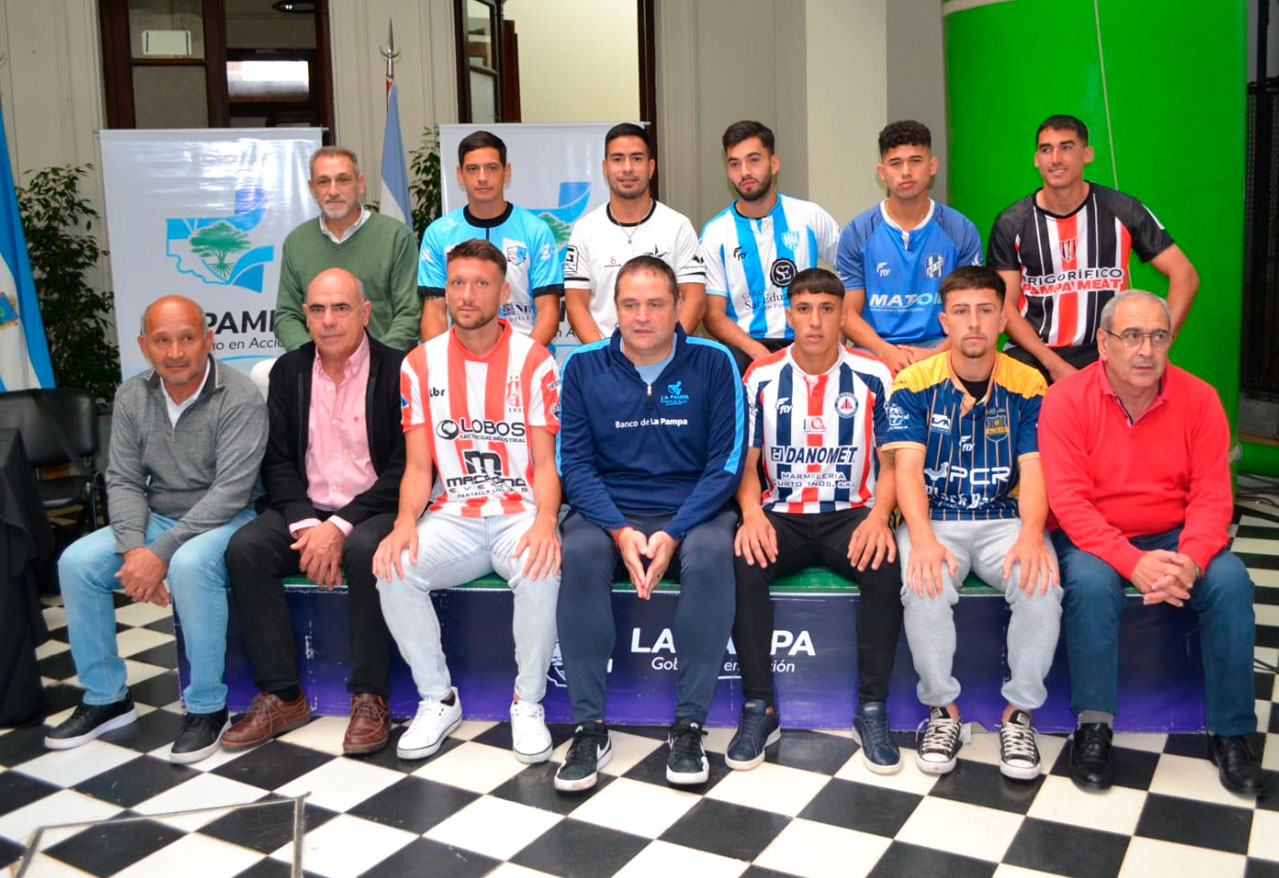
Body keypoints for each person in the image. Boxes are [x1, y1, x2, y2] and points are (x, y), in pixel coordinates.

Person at [1039, 289, 1265, 797]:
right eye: (1132, 336)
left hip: (1175, 533)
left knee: (1231, 582)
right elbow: (1070, 503)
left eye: (1158, 336)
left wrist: (1192, 558)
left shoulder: (1200, 398)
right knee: (1091, 587)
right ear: (1104, 343)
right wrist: (1131, 561)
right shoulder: (1066, 399)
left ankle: (1231, 733)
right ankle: (1093, 727)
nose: (1146, 350)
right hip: (1093, 534)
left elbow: (1212, 495)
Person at [46, 296, 266, 763]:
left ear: (209, 339)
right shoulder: (132, 395)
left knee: (188, 564)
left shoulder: (240, 395)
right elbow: (124, 480)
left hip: (230, 518)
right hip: (159, 518)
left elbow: (230, 492)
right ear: (144, 345)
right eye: (162, 341)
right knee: (77, 563)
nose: (176, 352)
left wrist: (160, 552)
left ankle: (207, 708)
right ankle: (107, 697)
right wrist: (134, 551)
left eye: (187, 338)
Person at [554, 255, 745, 791]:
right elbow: (575, 466)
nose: (642, 316)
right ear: (613, 308)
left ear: (679, 305)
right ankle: (589, 727)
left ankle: (689, 726)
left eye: (656, 304)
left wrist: (674, 531)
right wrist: (619, 530)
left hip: (694, 510)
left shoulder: (714, 361)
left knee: (712, 555)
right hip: (607, 511)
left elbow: (726, 464)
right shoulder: (583, 366)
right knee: (580, 554)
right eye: (631, 304)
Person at [373, 239, 562, 764]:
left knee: (542, 566)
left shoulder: (535, 360)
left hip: (518, 515)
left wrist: (547, 521)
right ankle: (438, 699)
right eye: (457, 283)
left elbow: (546, 464)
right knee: (393, 567)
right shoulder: (419, 364)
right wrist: (404, 522)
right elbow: (418, 467)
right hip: (453, 517)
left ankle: (528, 701)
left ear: (504, 293)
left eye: (481, 283)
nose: (467, 295)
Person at [883, 265, 1061, 780]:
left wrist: (1032, 535)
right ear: (945, 321)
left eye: (986, 310)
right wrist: (921, 539)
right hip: (935, 516)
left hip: (1006, 517)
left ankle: (1018, 715)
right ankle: (943, 712)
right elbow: (907, 469)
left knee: (1041, 584)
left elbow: (1035, 469)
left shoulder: (1028, 382)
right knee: (925, 583)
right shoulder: (914, 381)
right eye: (961, 312)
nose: (974, 322)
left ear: (1004, 319)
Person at [221, 268, 405, 756]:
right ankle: (283, 696)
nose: (329, 320)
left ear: (365, 313)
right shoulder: (288, 372)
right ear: (305, 315)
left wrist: (339, 527)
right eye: (318, 309)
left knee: (366, 551)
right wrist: (308, 524)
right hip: (305, 510)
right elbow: (276, 461)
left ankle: (370, 696)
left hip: (372, 509)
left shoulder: (397, 369)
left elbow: (405, 467)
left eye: (341, 308)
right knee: (246, 549)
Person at [729, 268, 904, 773]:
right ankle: (759, 707)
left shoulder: (875, 374)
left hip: (850, 514)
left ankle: (872, 708)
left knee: (884, 563)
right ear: (789, 315)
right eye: (804, 310)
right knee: (743, 560)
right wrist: (751, 514)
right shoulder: (760, 375)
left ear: (843, 316)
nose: (815, 322)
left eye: (827, 310)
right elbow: (746, 462)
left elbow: (893, 461)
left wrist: (880, 517)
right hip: (782, 515)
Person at [989, 114, 1198, 382]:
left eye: (1066, 147)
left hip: (1105, 352)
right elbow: (1005, 307)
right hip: (1035, 354)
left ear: (1087, 154)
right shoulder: (1012, 222)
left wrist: (1159, 343)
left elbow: (1185, 275)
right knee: (1013, 391)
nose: (1055, 159)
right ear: (1036, 159)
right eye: (1046, 149)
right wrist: (1054, 365)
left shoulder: (1123, 210)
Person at [838, 120, 982, 376]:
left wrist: (936, 353)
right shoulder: (858, 232)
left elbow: (973, 308)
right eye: (895, 163)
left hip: (943, 349)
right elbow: (848, 314)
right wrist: (887, 353)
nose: (906, 171)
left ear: (932, 166)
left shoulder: (960, 229)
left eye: (915, 161)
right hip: (876, 350)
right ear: (882, 172)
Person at [701, 120, 840, 374]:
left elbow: (853, 275)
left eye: (754, 160)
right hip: (747, 348)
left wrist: (839, 334)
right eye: (734, 164)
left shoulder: (809, 216)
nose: (744, 172)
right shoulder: (715, 233)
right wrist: (759, 353)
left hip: (806, 340)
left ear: (774, 164)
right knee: (724, 367)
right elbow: (713, 315)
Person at [417, 130, 563, 345]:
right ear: (460, 174)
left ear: (507, 172)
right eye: (472, 169)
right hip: (460, 356)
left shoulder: (536, 231)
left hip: (524, 353)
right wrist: (443, 360)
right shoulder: (438, 234)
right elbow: (434, 312)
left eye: (491, 168)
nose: (482, 178)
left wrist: (521, 359)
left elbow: (548, 313)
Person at [564, 124, 706, 343]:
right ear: (605, 167)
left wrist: (669, 349)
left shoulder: (678, 226)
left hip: (668, 352)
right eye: (618, 159)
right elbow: (575, 305)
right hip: (606, 354)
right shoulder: (585, 230)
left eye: (637, 158)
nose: (627, 168)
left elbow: (695, 299)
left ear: (651, 167)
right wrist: (604, 356)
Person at [274, 147, 420, 354]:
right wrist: (311, 359)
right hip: (316, 363)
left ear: (360, 184)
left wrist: (374, 361)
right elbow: (287, 316)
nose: (333, 191)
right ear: (312, 188)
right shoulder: (296, 242)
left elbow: (410, 313)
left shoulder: (396, 237)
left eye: (343, 180)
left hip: (382, 363)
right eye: (323, 182)